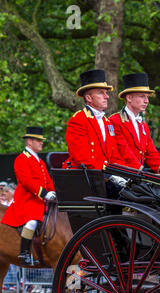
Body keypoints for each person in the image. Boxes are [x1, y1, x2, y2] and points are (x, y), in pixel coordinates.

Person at [63, 69, 128, 187]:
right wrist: (110, 176)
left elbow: (115, 156)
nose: (106, 96)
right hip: (87, 179)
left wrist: (128, 174)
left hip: (105, 178)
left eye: (106, 93)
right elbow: (82, 158)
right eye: (100, 93)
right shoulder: (78, 120)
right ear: (88, 98)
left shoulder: (107, 122)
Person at [0, 127, 56, 266]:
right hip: (26, 200)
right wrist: (45, 193)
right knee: (32, 222)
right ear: (30, 141)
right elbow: (27, 182)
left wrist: (55, 191)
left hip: (40, 200)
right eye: (39, 140)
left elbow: (47, 180)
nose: (41, 143)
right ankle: (24, 253)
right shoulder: (21, 159)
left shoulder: (40, 161)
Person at [109, 73, 160, 173]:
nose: (146, 101)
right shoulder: (115, 121)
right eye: (142, 96)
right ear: (129, 98)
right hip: (123, 174)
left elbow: (151, 151)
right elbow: (124, 151)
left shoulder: (143, 126)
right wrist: (141, 170)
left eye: (147, 97)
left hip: (137, 175)